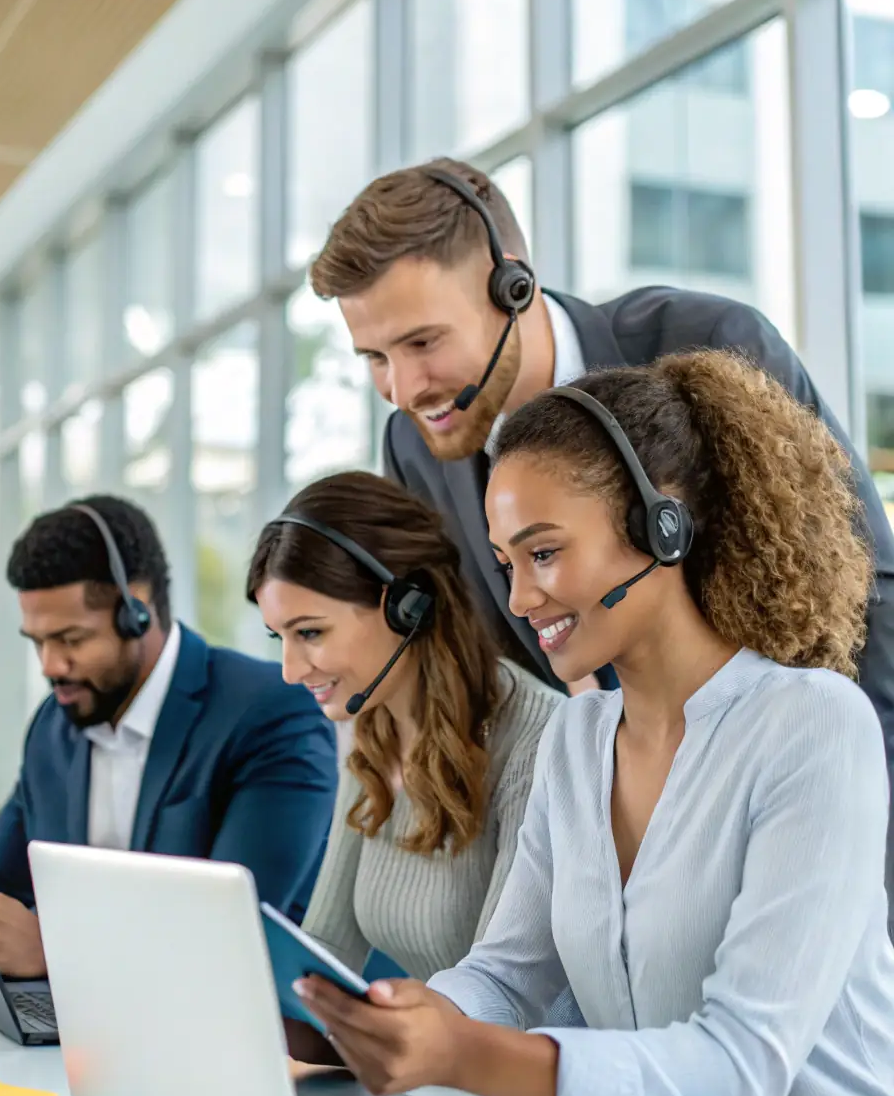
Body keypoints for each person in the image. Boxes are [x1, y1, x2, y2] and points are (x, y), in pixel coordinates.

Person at [293, 352, 894, 1096]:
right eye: (506, 563)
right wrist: (397, 1016)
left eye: (543, 553)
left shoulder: (812, 726)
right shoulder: (579, 737)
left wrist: (468, 1056)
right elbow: (507, 973)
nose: (520, 599)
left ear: (663, 527)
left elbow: (745, 1061)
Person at [309, 158, 894, 926]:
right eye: (375, 358)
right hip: (619, 849)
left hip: (793, 810)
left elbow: (869, 597)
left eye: (423, 342)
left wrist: (869, 876)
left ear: (510, 285)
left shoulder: (706, 346)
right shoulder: (418, 447)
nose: (403, 387)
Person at [0, 495, 336, 976]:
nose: (51, 666)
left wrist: (60, 954)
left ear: (137, 611)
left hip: (251, 1035)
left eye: (71, 639)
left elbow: (234, 930)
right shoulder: (55, 727)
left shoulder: (268, 712)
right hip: (74, 1036)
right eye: (38, 642)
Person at [247, 471, 560, 1063]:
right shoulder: (374, 726)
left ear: (408, 606)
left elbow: (504, 997)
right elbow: (325, 951)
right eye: (279, 638)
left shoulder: (537, 737)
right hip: (440, 1080)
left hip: (527, 1093)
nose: (290, 669)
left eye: (310, 633)